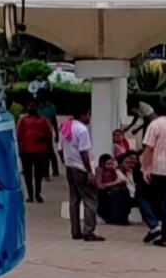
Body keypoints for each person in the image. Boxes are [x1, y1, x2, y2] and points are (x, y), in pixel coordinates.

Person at [61, 108, 103, 241]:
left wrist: (66, 162)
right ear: (83, 114)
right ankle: (89, 231)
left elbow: (59, 149)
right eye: (89, 115)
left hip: (70, 167)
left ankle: (75, 231)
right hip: (81, 168)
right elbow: (84, 152)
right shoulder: (82, 130)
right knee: (90, 200)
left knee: (74, 200)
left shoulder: (65, 127)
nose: (90, 118)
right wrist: (90, 172)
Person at [141, 103, 166, 246]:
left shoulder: (154, 125)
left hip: (157, 168)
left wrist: (145, 168)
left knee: (143, 196)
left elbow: (149, 149)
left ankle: (154, 225)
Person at [17, 101, 54, 203]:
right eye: (30, 105)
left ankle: (36, 194)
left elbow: (48, 135)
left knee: (37, 175)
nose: (31, 108)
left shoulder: (43, 121)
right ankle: (31, 195)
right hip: (27, 151)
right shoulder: (24, 120)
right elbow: (18, 136)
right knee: (29, 175)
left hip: (38, 151)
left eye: (33, 106)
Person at [95, 154, 131, 225]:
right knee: (116, 191)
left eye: (112, 163)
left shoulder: (113, 170)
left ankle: (124, 217)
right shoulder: (99, 170)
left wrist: (116, 169)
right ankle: (115, 217)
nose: (111, 165)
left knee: (124, 190)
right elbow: (99, 185)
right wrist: (114, 183)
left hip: (112, 190)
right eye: (108, 164)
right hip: (102, 192)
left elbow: (122, 180)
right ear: (102, 164)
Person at [35, 90, 60, 178]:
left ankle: (53, 170)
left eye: (40, 96)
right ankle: (43, 172)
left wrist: (57, 134)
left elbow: (54, 121)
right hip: (37, 134)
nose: (39, 98)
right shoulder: (35, 107)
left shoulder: (51, 107)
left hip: (47, 133)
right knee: (40, 153)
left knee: (49, 152)